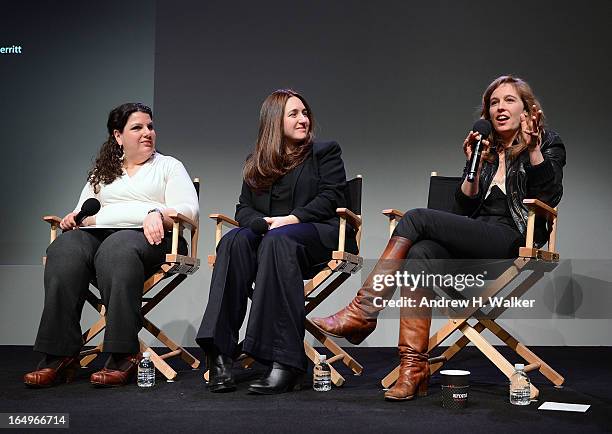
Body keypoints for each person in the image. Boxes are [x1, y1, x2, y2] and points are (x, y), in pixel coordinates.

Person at [313, 75, 566, 401]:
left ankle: (362, 312)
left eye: (509, 100)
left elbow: (550, 193)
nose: (499, 108)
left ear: (527, 109)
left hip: (512, 238)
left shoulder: (547, 142)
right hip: (476, 239)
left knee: (416, 217)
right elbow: (464, 207)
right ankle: (413, 369)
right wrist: (472, 167)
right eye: (493, 102)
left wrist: (533, 151)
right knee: (420, 252)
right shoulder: (484, 148)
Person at [24, 103, 199, 388]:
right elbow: (84, 211)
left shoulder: (168, 166)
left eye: (150, 127)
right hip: (102, 239)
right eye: (137, 127)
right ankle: (58, 355)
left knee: (116, 248)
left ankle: (122, 354)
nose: (147, 133)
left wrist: (157, 213)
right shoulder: (104, 172)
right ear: (118, 136)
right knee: (64, 249)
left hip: (153, 238)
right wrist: (74, 218)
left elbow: (188, 210)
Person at [196, 89, 356, 395]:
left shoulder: (324, 152)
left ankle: (286, 363)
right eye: (293, 114)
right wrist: (259, 223)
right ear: (274, 121)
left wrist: (292, 219)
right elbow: (243, 207)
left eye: (305, 113)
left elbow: (333, 198)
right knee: (233, 242)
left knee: (277, 240)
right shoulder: (257, 161)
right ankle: (219, 354)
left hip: (318, 235)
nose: (303, 119)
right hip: (273, 239)